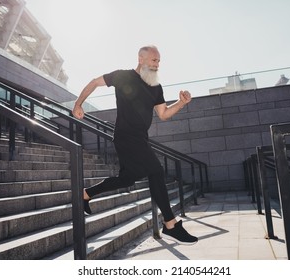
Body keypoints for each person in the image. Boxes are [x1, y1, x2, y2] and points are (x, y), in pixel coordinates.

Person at [72, 45, 197, 245]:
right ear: (141, 59)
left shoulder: (156, 87)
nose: (157, 65)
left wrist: (181, 103)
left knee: (127, 179)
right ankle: (170, 223)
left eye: (159, 62)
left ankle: (85, 194)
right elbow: (94, 82)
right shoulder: (123, 76)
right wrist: (78, 104)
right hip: (125, 136)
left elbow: (163, 114)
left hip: (140, 138)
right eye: (154, 60)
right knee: (156, 170)